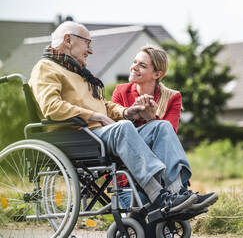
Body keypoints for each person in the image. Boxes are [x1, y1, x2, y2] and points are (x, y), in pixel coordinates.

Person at [28, 21, 209, 215]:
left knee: (161, 126)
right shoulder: (46, 68)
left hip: (97, 134)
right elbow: (51, 107)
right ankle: (159, 197)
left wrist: (127, 112)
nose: (90, 51)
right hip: (77, 136)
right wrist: (96, 116)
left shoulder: (76, 72)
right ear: (68, 40)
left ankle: (178, 195)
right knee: (122, 127)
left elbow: (103, 105)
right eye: (88, 43)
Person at [112, 45, 218, 210]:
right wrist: (136, 116)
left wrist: (151, 118)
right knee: (159, 125)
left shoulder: (172, 97)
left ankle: (177, 193)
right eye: (134, 62)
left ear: (157, 74)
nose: (134, 67)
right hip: (129, 160)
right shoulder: (121, 91)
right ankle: (179, 193)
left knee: (163, 127)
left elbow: (169, 139)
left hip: (160, 164)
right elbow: (116, 131)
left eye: (142, 65)